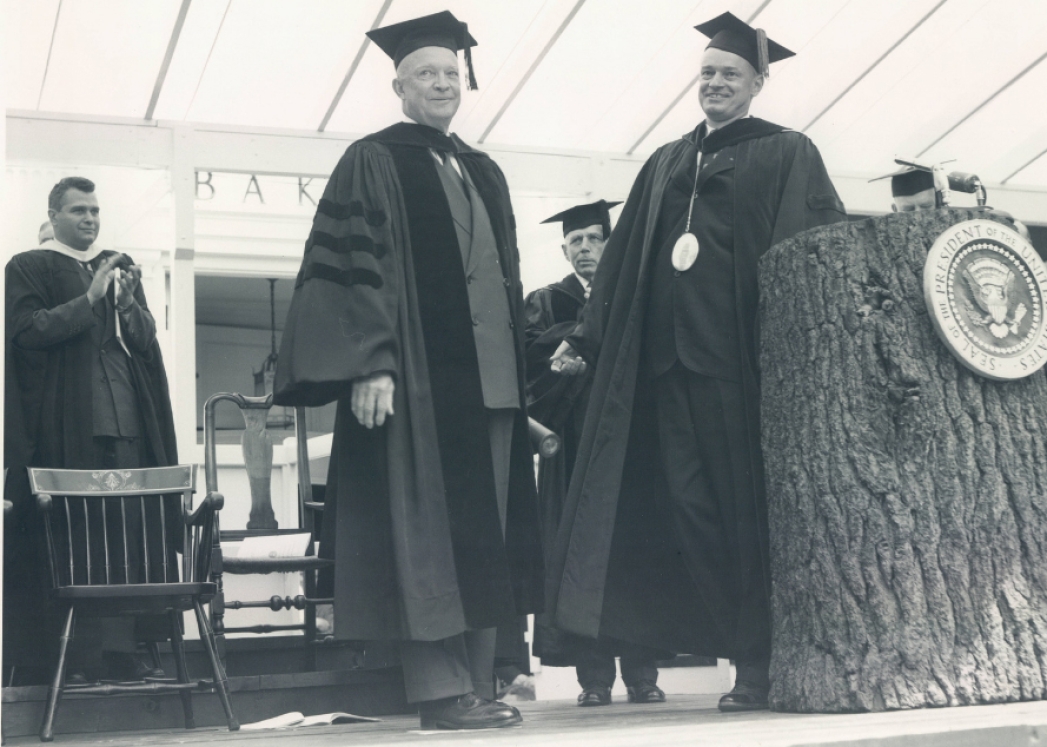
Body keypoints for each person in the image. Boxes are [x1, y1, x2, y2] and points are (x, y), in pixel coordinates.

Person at [548, 12, 846, 712]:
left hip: (741, 371)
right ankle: (718, 645)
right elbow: (620, 267)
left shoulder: (787, 152)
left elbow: (813, 257)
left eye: (730, 74)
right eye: (708, 73)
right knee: (684, 511)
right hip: (662, 374)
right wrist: (585, 339)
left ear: (758, 81)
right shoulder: (665, 162)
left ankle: (756, 663)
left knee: (744, 513)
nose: (715, 83)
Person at [273, 11, 542, 731]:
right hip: (419, 381)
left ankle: (479, 682)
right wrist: (371, 364)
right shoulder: (375, 158)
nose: (443, 84)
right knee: (427, 533)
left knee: (486, 530)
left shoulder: (483, 168)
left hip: (492, 385)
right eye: (428, 73)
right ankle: (439, 690)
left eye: (453, 74)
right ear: (398, 84)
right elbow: (356, 270)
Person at [4, 177, 178, 684]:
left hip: (128, 422)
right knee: (78, 537)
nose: (90, 219)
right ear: (54, 215)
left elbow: (145, 345)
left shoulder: (118, 265)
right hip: (70, 424)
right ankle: (77, 659)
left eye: (96, 210)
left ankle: (124, 654)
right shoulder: (28, 265)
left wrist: (125, 302)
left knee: (127, 536)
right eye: (79, 210)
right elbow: (27, 332)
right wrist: (91, 298)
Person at [526, 200, 667, 707]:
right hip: (572, 450)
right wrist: (582, 340)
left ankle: (644, 675)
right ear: (564, 250)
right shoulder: (546, 300)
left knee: (634, 555)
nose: (585, 248)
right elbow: (533, 358)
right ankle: (594, 679)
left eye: (594, 238)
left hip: (629, 449)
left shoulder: (633, 296)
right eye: (575, 241)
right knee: (578, 559)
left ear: (610, 243)